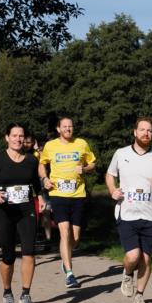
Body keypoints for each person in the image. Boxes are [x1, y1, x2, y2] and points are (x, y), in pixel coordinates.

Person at [105, 118, 152, 303]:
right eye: (142, 130)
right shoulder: (121, 154)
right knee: (133, 256)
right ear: (134, 132)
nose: (146, 133)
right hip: (126, 212)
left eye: (149, 131)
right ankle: (127, 274)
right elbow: (110, 175)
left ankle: (140, 296)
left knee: (146, 258)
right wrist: (112, 190)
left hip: (150, 215)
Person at [0, 123, 44, 303]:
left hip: (26, 211)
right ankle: (7, 293)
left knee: (30, 252)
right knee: (8, 256)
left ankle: (26, 295)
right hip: (4, 212)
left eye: (21, 136)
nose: (18, 139)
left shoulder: (31, 161)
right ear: (7, 138)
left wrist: (41, 196)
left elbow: (35, 185)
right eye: (14, 136)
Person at [38, 116, 97, 288]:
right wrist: (44, 179)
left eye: (70, 126)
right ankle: (70, 273)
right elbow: (42, 164)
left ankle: (65, 258)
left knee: (75, 237)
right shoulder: (50, 146)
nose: (68, 129)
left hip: (78, 194)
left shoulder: (81, 143)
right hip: (58, 194)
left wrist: (85, 168)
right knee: (64, 232)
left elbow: (92, 163)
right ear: (58, 129)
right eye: (64, 127)